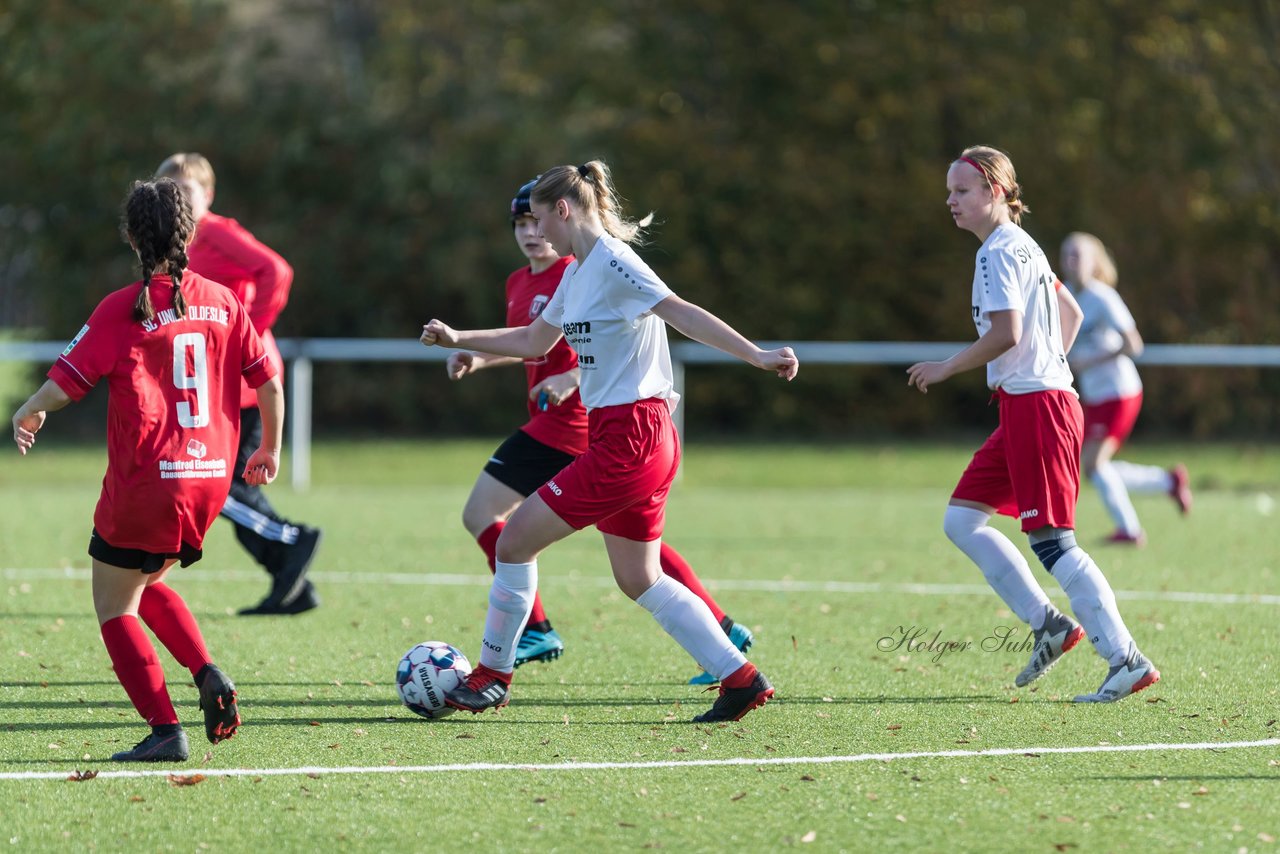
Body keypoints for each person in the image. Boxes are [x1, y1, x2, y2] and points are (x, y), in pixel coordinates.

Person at [421, 161, 797, 722]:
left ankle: (493, 676)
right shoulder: (577, 274)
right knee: (638, 577)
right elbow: (533, 340)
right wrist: (460, 337)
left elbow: (683, 314)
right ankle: (739, 678)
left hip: (633, 437)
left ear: (564, 210)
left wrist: (758, 355)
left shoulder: (617, 264)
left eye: (540, 217)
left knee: (514, 541)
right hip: (629, 436)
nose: (536, 230)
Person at [11, 178, 283, 761]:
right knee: (146, 578)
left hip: (148, 482)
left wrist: (29, 410)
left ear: (133, 238)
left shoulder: (123, 307)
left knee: (113, 606)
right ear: (189, 232)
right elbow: (268, 380)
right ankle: (207, 670)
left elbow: (65, 385)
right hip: (210, 476)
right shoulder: (224, 299)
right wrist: (271, 450)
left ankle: (165, 731)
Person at [907, 146, 1160, 702]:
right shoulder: (1027, 247)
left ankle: (1125, 658)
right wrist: (1048, 364)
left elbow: (1007, 334)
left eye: (962, 191)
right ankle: (1049, 625)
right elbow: (1068, 316)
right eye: (949, 191)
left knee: (1052, 542)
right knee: (961, 520)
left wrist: (947, 367)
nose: (950, 201)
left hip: (1038, 407)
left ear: (996, 191)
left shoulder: (999, 252)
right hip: (1028, 403)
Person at [155, 153, 321, 615]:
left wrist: (248, 333)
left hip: (247, 380)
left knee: (222, 486)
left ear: (207, 196)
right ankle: (293, 584)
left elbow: (277, 271)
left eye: (185, 192)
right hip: (216, 381)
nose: (176, 201)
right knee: (228, 483)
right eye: (167, 192)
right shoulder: (179, 242)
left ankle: (294, 540)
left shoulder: (218, 232)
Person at [1059, 232, 1191, 545]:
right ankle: (1167, 482)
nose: (1070, 262)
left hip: (1120, 392)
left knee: (1092, 464)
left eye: (1077, 255)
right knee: (1095, 466)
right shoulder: (1065, 297)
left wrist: (1091, 360)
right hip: (1095, 395)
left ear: (1094, 262)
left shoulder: (1103, 297)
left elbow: (1134, 344)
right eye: (1066, 255)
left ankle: (1130, 531)